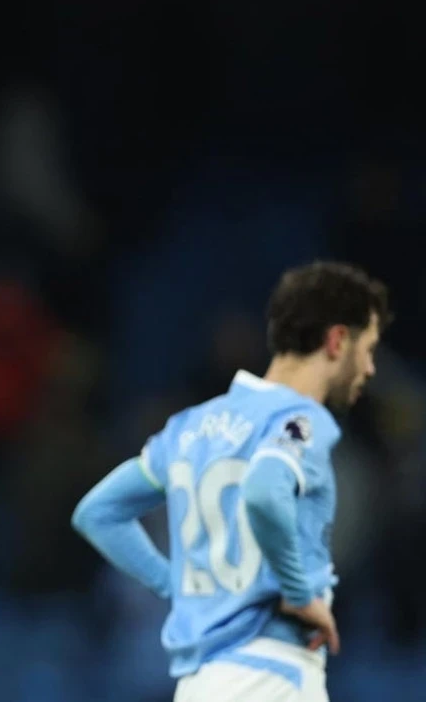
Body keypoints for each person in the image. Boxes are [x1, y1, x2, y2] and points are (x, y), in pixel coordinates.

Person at [71, 261, 391, 702]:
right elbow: (264, 490)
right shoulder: (299, 420)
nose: (370, 368)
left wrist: (172, 584)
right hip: (272, 676)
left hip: (200, 682)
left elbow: (96, 513)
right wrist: (299, 593)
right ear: (336, 341)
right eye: (368, 349)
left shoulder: (187, 427)